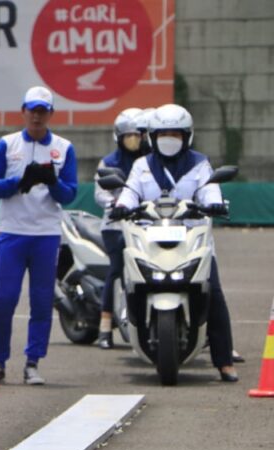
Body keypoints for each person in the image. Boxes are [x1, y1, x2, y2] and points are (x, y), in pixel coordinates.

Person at [110, 103, 238, 381]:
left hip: (191, 238)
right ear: (153, 137)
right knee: (129, 278)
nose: (170, 138)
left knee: (213, 293)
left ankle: (224, 361)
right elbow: (130, 192)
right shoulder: (142, 166)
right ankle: (123, 321)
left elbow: (209, 190)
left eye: (176, 134)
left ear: (187, 136)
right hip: (150, 237)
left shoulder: (200, 164)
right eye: (163, 133)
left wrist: (215, 204)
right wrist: (121, 205)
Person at [0, 86, 78, 385]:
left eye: (42, 111)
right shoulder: (7, 145)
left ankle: (33, 362)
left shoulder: (63, 147)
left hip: (46, 234)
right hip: (13, 232)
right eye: (32, 110)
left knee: (41, 299)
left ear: (50, 114)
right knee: (3, 298)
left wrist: (51, 182)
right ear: (23, 111)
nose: (37, 116)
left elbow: (70, 194)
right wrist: (17, 181)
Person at [94, 107, 147, 349]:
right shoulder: (109, 162)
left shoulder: (150, 160)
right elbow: (99, 193)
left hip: (147, 224)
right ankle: (105, 327)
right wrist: (114, 203)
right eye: (129, 136)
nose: (134, 140)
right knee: (116, 269)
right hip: (116, 225)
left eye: (138, 135)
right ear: (119, 137)